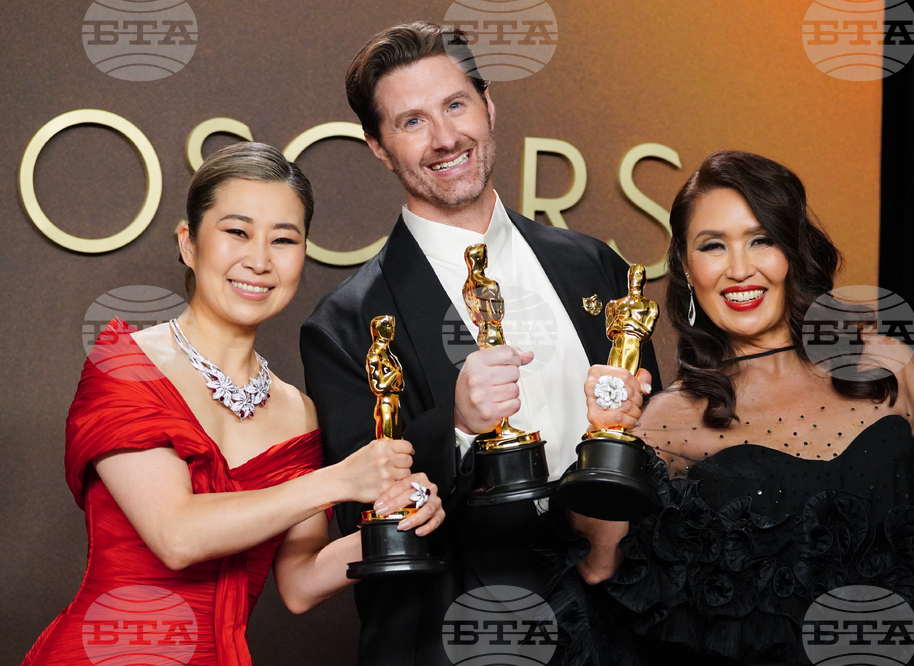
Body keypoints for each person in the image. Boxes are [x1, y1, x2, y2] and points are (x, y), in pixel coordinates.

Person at [300, 21, 660, 665]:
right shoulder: (347, 324)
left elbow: (644, 445)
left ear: (488, 106)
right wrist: (458, 426)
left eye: (455, 105)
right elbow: (368, 527)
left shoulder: (593, 266)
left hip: (620, 624)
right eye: (411, 122)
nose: (445, 139)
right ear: (378, 147)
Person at [566, 150, 914, 665]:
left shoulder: (885, 362)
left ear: (792, 249)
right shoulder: (667, 417)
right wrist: (609, 436)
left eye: (761, 240)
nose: (740, 269)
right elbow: (598, 566)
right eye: (713, 246)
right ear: (685, 264)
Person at [23, 142, 444, 666]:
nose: (260, 260)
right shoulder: (126, 365)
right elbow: (176, 535)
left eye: (284, 239)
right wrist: (340, 480)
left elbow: (300, 583)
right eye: (237, 232)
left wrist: (395, 519)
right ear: (189, 244)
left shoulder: (297, 411)